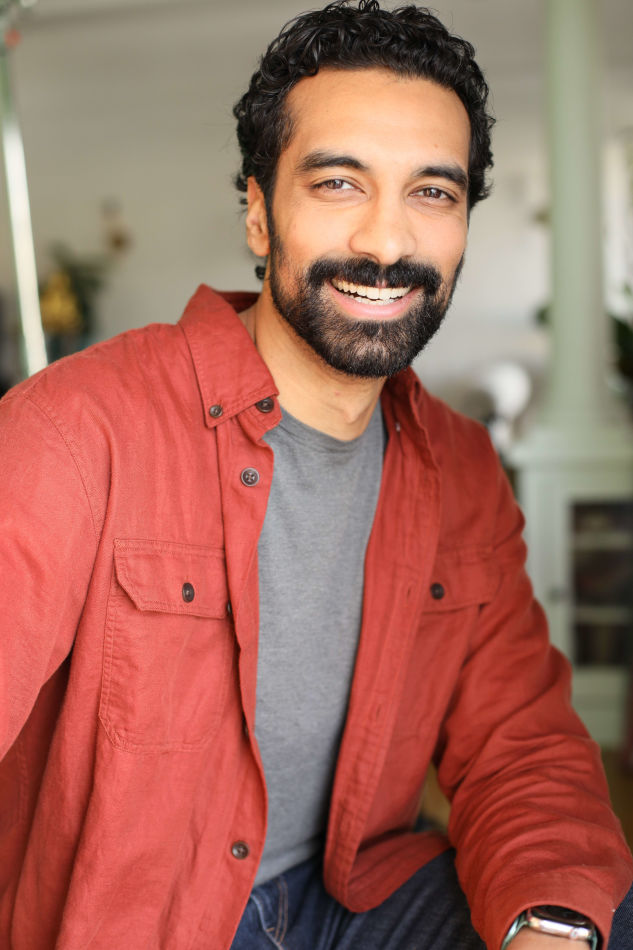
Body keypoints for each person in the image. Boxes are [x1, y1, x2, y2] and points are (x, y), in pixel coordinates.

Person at [0, 1, 631, 948]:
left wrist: (550, 924)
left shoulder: (461, 465)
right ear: (259, 214)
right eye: (339, 183)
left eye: (432, 192)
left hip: (357, 895)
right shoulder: (74, 430)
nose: (387, 243)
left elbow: (521, 746)